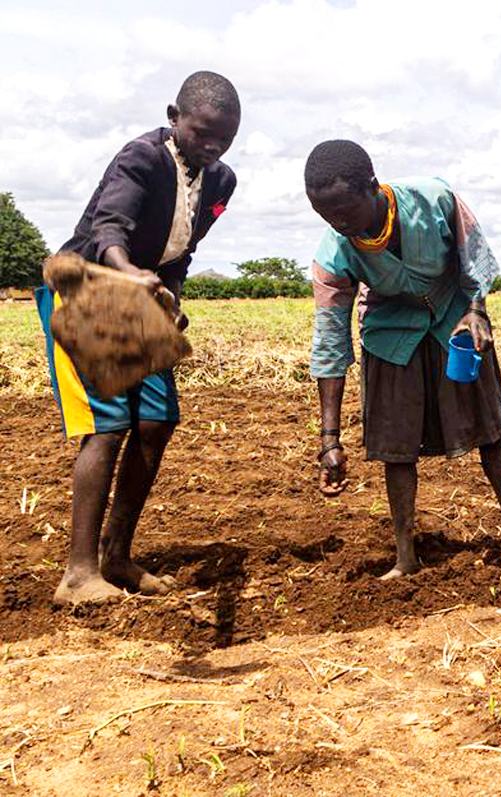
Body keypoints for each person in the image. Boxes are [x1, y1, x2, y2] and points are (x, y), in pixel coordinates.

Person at [303, 140, 501, 585]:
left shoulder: (434, 199)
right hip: (390, 333)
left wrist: (476, 310)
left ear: (373, 188)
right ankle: (405, 557)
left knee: (490, 434)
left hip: (452, 320)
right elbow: (330, 342)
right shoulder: (333, 252)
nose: (339, 224)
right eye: (326, 216)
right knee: (397, 450)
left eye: (346, 211)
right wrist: (329, 439)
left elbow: (474, 257)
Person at [38, 71, 241, 604]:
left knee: (155, 421)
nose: (213, 146)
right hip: (91, 287)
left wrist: (169, 299)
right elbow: (110, 230)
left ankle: (118, 556)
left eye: (225, 137)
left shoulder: (221, 182)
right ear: (175, 117)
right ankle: (79, 574)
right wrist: (128, 273)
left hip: (144, 298)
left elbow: (182, 253)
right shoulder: (142, 157)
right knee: (107, 427)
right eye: (202, 133)